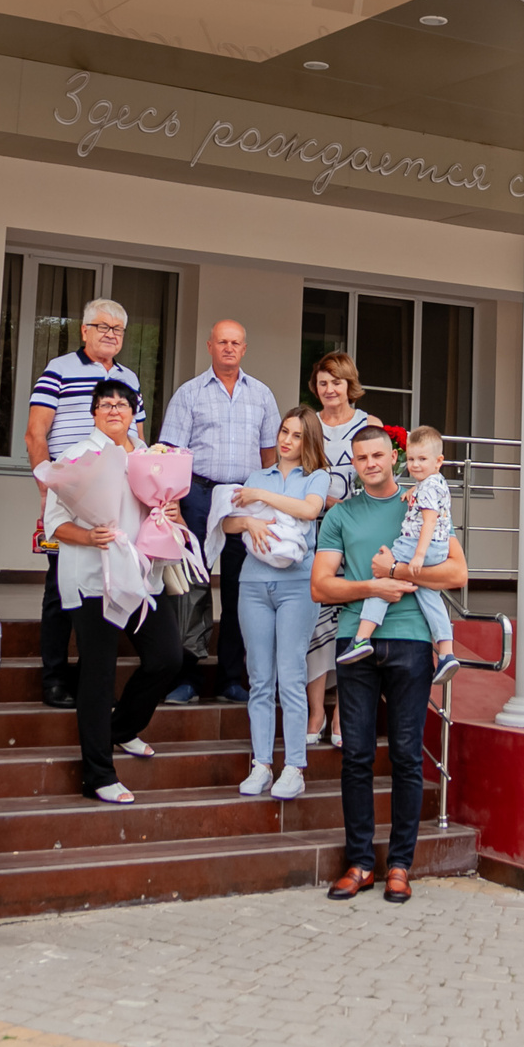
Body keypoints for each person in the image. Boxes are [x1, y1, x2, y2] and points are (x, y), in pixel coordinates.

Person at [315, 423, 466, 903]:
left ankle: (401, 864)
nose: (371, 464)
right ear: (354, 464)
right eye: (361, 458)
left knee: (404, 754)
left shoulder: (423, 500)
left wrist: (397, 572)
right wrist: (372, 587)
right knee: (356, 756)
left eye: (378, 455)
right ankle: (359, 863)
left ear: (394, 457)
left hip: (412, 641)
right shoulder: (341, 516)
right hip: (354, 640)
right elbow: (322, 587)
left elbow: (457, 572)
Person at [45, 379, 179, 804]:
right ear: (94, 412)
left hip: (140, 576)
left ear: (134, 411)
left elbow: (157, 507)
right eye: (105, 404)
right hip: (93, 578)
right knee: (98, 675)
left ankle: (120, 728)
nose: (114, 409)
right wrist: (91, 538)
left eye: (122, 403)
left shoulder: (147, 457)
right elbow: (54, 525)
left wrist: (168, 509)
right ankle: (98, 774)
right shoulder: (77, 457)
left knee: (166, 659)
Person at [26, 299, 144, 709]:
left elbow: (138, 437)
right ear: (83, 330)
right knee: (62, 587)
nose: (110, 334)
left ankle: (91, 678)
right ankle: (55, 678)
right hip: (71, 497)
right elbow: (35, 434)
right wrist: (47, 486)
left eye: (118, 329)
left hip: (119, 503)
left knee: (111, 585)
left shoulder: (129, 377)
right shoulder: (59, 369)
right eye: (102, 326)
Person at [158, 319, 281, 703]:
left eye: (236, 342)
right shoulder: (189, 393)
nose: (229, 348)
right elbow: (171, 453)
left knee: (238, 587)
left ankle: (231, 678)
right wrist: (173, 502)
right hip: (196, 493)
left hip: (242, 498)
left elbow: (270, 455)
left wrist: (264, 497)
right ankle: (188, 678)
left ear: (244, 349)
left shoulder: (261, 395)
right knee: (191, 586)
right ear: (210, 346)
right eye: (222, 342)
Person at [223, 405, 330, 799]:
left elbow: (309, 509)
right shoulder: (258, 475)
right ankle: (262, 765)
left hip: (297, 586)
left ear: (309, 441)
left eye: (297, 435)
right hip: (253, 583)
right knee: (260, 679)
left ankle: (295, 767)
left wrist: (260, 499)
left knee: (291, 676)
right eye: (284, 432)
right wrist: (248, 520)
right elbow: (229, 521)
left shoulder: (317, 476)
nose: (286, 440)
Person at [337, 424, 459, 686]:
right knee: (431, 597)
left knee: (380, 579)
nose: (414, 465)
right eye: (412, 459)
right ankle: (447, 653)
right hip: (436, 549)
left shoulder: (425, 489)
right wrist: (415, 490)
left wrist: (397, 565)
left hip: (417, 544)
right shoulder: (433, 483)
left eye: (422, 460)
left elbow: (428, 524)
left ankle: (361, 638)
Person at [302, 351, 375, 745]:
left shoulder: (370, 426)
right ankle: (315, 712)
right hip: (314, 533)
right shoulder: (307, 424)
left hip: (358, 535)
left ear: (350, 385)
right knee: (316, 622)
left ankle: (341, 714)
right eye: (323, 382)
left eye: (337, 382)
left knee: (350, 623)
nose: (330, 389)